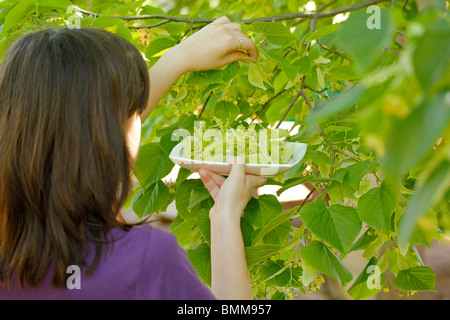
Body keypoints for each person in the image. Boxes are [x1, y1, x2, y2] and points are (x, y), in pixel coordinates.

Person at [0, 16, 266, 300]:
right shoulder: (145, 261)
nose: (140, 115)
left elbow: (69, 127)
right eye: (135, 111)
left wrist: (178, 58)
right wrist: (225, 218)